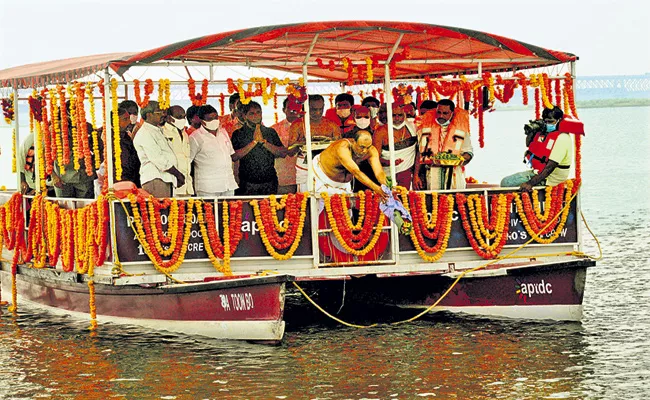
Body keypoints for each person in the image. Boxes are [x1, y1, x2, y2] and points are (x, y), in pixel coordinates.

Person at [501, 106, 574, 191]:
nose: (548, 124)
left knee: (505, 183)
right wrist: (531, 132)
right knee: (506, 182)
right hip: (540, 172)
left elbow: (549, 168)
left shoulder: (562, 138)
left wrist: (530, 183)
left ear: (559, 121)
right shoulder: (545, 132)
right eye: (546, 122)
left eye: (551, 122)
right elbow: (528, 144)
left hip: (551, 179)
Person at [414, 99, 473, 190]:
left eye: (445, 113)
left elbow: (469, 153)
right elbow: (420, 153)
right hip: (432, 172)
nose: (441, 116)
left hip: (454, 174)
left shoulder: (461, 131)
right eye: (439, 112)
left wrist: (459, 159)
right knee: (435, 201)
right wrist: (416, 175)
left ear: (452, 113)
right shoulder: (425, 129)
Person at [312, 130, 388, 201]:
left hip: (344, 185)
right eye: (362, 147)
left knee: (345, 213)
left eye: (368, 147)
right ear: (353, 142)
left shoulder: (371, 151)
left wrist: (386, 186)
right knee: (320, 212)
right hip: (322, 178)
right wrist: (376, 188)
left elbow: (379, 172)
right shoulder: (342, 148)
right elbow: (356, 172)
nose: (365, 151)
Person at [231, 101, 287, 195]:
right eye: (251, 113)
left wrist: (264, 143)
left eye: (258, 112)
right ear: (244, 116)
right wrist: (254, 142)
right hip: (247, 183)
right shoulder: (238, 133)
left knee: (270, 209)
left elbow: (282, 153)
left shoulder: (270, 132)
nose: (256, 116)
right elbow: (234, 156)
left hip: (269, 181)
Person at [288, 94, 340, 192]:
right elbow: (290, 152)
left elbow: (339, 149)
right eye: (313, 109)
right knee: (305, 199)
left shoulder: (332, 125)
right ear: (305, 107)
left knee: (326, 200)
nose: (318, 112)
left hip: (326, 166)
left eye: (321, 109)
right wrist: (303, 142)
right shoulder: (298, 125)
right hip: (305, 167)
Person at [133, 101, 185, 198]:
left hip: (165, 178)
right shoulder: (145, 133)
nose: (163, 115)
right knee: (160, 211)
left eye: (163, 112)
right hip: (156, 179)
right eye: (159, 112)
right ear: (149, 115)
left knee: (168, 211)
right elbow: (158, 159)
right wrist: (178, 174)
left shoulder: (156, 130)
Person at [51, 100, 97, 199]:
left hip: (84, 178)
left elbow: (99, 149)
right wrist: (54, 176)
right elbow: (44, 155)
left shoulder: (87, 127)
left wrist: (93, 163)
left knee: (86, 210)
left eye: (78, 111)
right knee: (64, 211)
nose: (76, 115)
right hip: (63, 179)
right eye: (72, 112)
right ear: (65, 113)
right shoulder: (55, 129)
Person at [189, 105, 238, 197]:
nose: (214, 121)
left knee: (229, 211)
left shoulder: (223, 132)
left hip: (228, 184)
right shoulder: (195, 137)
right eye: (210, 119)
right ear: (202, 121)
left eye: (216, 117)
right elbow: (188, 161)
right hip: (208, 187)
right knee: (209, 211)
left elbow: (231, 154)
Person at [373, 104, 419, 189]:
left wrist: (416, 174)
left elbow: (418, 153)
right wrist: (389, 163)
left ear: (404, 115)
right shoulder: (380, 132)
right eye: (393, 115)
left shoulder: (413, 127)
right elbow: (374, 158)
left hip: (407, 174)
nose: (397, 118)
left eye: (400, 115)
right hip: (387, 175)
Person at [162, 105, 193, 196]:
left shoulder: (184, 133)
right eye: (179, 117)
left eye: (184, 117)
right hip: (173, 183)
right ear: (168, 118)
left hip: (187, 184)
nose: (183, 120)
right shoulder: (163, 132)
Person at [272, 97, 300, 194]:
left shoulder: (308, 127)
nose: (293, 110)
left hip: (306, 177)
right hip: (284, 179)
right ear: (284, 110)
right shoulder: (274, 129)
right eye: (290, 108)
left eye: (296, 107)